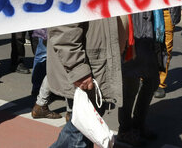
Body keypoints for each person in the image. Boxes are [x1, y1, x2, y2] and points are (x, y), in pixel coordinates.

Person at [47, 18, 125, 147]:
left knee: (83, 131)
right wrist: (78, 69)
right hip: (87, 69)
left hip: (96, 66)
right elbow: (63, 30)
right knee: (80, 133)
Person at [116, 11, 161, 146]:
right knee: (130, 85)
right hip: (132, 36)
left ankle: (138, 123)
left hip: (150, 36)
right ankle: (124, 129)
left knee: (153, 81)